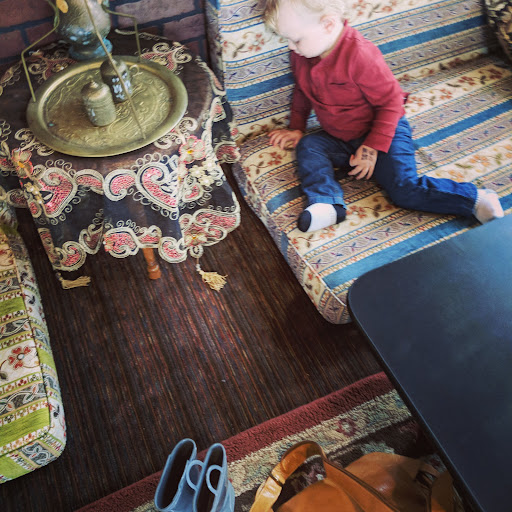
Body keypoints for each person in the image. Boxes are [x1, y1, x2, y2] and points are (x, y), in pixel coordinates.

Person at [264, 0, 504, 232]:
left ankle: (474, 199)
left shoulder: (360, 55)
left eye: (296, 39)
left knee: (403, 189)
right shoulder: (303, 55)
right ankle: (327, 203)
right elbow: (302, 91)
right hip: (342, 137)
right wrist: (297, 127)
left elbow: (391, 103)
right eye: (287, 39)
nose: (290, 47)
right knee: (309, 146)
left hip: (384, 131)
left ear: (328, 24)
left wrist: (371, 148)